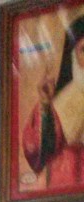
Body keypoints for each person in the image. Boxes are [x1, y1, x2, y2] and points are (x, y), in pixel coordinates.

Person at [22, 13, 84, 191]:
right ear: (73, 55)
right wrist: (45, 106)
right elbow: (39, 153)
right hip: (66, 181)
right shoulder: (61, 101)